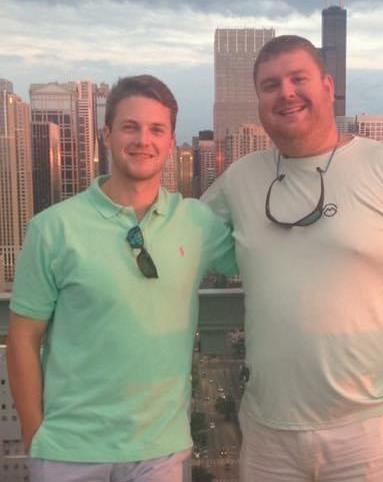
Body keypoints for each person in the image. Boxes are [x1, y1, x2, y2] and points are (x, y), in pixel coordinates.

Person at [202, 35, 383, 481]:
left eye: (298, 79)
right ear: (259, 101)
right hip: (268, 439)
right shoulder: (241, 179)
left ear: (328, 87)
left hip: (375, 436)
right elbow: (175, 238)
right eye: (270, 85)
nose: (286, 93)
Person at [7, 75, 236, 482]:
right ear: (107, 134)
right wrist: (33, 432)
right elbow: (23, 337)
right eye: (130, 127)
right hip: (69, 452)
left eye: (156, 130)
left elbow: (263, 256)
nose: (143, 140)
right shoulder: (53, 228)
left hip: (159, 453)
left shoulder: (196, 223)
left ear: (170, 142)